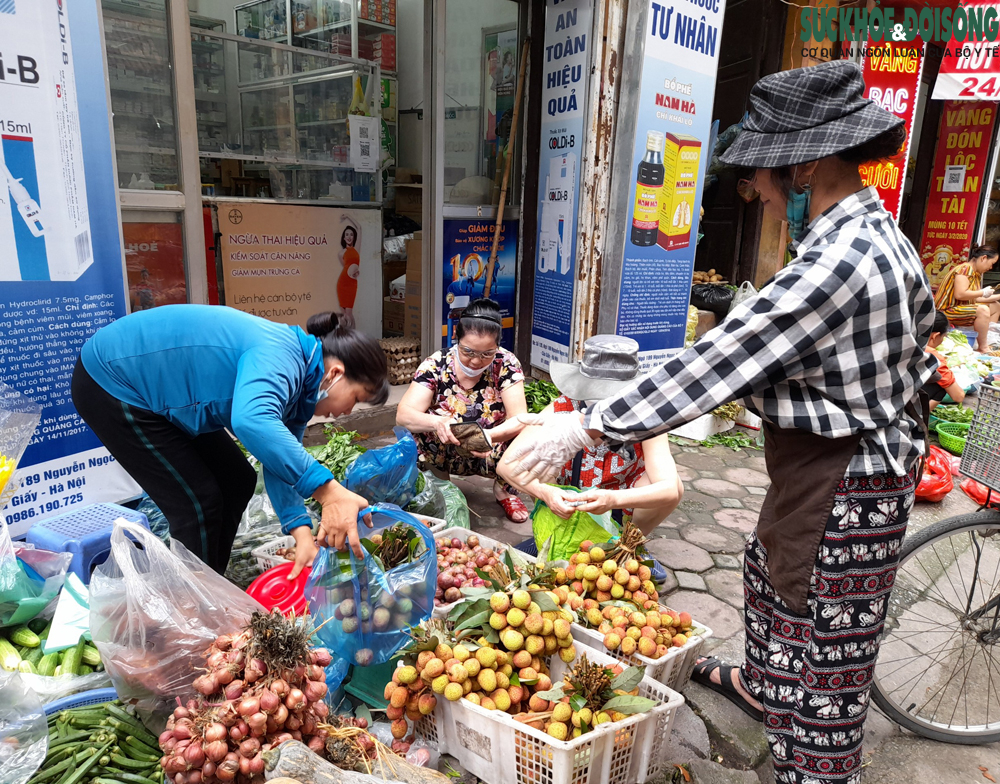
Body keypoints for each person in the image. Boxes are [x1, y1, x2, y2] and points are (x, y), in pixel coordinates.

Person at [502, 61, 935, 784]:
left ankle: (815, 768)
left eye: (763, 170)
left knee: (826, 656)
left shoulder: (839, 259)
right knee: (769, 574)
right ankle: (763, 689)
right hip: (825, 459)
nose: (756, 188)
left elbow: (717, 364)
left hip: (850, 478)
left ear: (808, 162)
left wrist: (588, 427)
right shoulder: (871, 231)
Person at [72, 305, 389, 578]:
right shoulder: (283, 355)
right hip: (114, 381)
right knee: (197, 504)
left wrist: (301, 531)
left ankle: (211, 587)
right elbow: (251, 420)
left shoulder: (300, 388)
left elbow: (277, 461)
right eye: (356, 398)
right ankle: (191, 617)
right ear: (335, 373)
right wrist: (329, 492)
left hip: (160, 392)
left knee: (237, 479)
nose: (347, 411)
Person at [498, 335, 682, 535]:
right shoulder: (565, 406)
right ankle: (555, 529)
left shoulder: (644, 414)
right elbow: (506, 465)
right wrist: (547, 493)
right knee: (538, 462)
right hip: (569, 496)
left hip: (620, 498)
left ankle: (627, 541)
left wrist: (612, 499)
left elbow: (670, 488)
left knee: (676, 487)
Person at [396, 298, 530, 522]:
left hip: (489, 449)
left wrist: (488, 436)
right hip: (444, 449)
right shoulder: (436, 364)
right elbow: (403, 414)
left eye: (487, 353)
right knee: (416, 430)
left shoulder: (506, 363)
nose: (477, 360)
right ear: (455, 337)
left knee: (528, 436)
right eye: (468, 351)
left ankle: (504, 489)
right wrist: (438, 422)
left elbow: (520, 418)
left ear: (497, 346)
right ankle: (441, 486)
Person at [933, 244, 1000, 350]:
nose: (991, 268)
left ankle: (989, 340)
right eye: (992, 264)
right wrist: (982, 292)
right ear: (984, 258)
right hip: (946, 310)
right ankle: (983, 347)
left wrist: (996, 296)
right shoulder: (965, 269)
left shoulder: (975, 273)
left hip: (960, 308)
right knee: (983, 310)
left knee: (995, 306)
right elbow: (960, 294)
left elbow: (975, 298)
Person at [925, 310, 966, 410]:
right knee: (941, 386)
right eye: (943, 337)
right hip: (902, 406)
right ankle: (917, 418)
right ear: (935, 336)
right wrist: (948, 372)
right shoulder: (932, 356)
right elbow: (958, 396)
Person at [337, 225, 360, 328]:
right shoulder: (341, 253)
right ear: (344, 237)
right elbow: (346, 267)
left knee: (349, 313)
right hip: (342, 283)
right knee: (345, 314)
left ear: (354, 237)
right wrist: (353, 272)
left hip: (352, 284)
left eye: (351, 234)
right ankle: (348, 338)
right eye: (347, 234)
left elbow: (359, 228)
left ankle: (354, 337)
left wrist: (347, 216)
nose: (349, 236)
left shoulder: (357, 249)